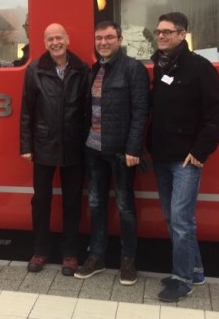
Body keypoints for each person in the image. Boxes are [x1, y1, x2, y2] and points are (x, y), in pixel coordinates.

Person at [149, 12, 219, 302]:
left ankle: (182, 280)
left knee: (181, 221)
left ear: (182, 35)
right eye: (158, 32)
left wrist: (200, 151)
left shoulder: (199, 67)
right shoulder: (160, 65)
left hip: (185, 159)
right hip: (161, 155)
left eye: (167, 32)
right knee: (173, 219)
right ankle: (195, 270)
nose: (161, 36)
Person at [74, 21, 149, 285]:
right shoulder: (96, 69)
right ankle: (97, 257)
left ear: (119, 39)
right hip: (94, 149)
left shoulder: (133, 69)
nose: (103, 42)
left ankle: (128, 260)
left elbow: (141, 111)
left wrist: (133, 148)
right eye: (99, 38)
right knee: (95, 204)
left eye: (109, 37)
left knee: (125, 206)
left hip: (121, 152)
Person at [20, 23, 90, 275]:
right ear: (44, 42)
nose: (55, 43)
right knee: (41, 201)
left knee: (72, 201)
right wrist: (26, 145)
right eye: (50, 39)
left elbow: (89, 110)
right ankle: (40, 251)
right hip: (43, 145)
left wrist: (89, 143)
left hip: (74, 144)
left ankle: (70, 254)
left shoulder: (83, 70)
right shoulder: (34, 70)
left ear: (67, 39)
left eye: (59, 37)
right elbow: (27, 111)